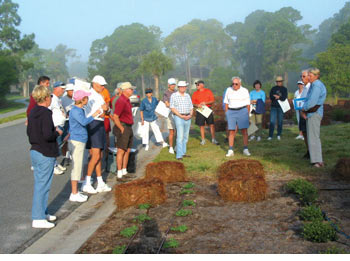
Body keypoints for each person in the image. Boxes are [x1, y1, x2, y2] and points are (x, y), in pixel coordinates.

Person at [27, 85, 63, 228]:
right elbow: (48, 134)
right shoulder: (45, 113)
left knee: (41, 183)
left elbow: (29, 132)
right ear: (46, 98)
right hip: (44, 151)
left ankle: (42, 212)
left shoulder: (33, 111)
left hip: (35, 150)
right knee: (43, 185)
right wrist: (57, 133)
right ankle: (37, 217)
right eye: (49, 97)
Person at [69, 90, 102, 202]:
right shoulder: (76, 111)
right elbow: (83, 122)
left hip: (80, 139)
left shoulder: (79, 110)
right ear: (82, 100)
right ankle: (74, 193)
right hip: (77, 141)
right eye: (86, 98)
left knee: (78, 166)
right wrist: (94, 114)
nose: (88, 100)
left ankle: (76, 192)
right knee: (77, 167)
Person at [82, 75, 111, 194]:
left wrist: (106, 109)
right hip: (93, 123)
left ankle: (99, 182)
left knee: (98, 154)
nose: (103, 87)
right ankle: (87, 182)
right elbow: (98, 112)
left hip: (98, 123)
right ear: (95, 84)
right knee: (95, 155)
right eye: (101, 85)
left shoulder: (99, 95)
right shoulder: (90, 95)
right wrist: (104, 110)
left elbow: (106, 110)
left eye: (104, 85)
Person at [301, 68, 327, 168]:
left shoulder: (316, 85)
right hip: (313, 113)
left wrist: (304, 109)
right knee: (313, 136)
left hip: (314, 113)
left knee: (313, 137)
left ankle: (317, 161)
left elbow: (312, 101)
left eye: (310, 76)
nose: (309, 77)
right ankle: (316, 159)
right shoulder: (314, 85)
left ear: (316, 76)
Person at [112, 82, 135, 178]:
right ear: (125, 90)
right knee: (121, 150)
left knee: (127, 149)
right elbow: (115, 116)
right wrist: (121, 128)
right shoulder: (121, 101)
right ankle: (119, 172)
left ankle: (124, 170)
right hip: (123, 126)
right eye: (130, 89)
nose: (132, 90)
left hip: (128, 126)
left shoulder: (127, 100)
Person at [224, 77, 251, 157]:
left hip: (242, 111)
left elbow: (248, 104)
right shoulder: (229, 90)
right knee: (231, 131)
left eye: (236, 84)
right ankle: (230, 149)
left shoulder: (245, 91)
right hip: (231, 111)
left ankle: (245, 149)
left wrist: (247, 114)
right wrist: (227, 112)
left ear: (240, 84)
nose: (234, 85)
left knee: (244, 131)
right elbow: (226, 102)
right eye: (233, 84)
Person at [170, 81, 193, 161]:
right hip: (179, 117)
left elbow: (191, 106)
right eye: (181, 87)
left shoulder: (187, 95)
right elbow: (172, 107)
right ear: (178, 87)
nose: (183, 88)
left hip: (188, 116)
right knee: (180, 136)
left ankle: (183, 152)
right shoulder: (174, 95)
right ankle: (179, 155)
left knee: (186, 136)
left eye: (184, 87)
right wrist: (180, 116)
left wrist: (190, 115)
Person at [191, 80, 219, 145]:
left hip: (207, 109)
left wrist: (205, 103)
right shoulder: (195, 93)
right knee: (201, 125)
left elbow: (212, 100)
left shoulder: (208, 91)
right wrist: (197, 105)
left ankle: (213, 139)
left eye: (198, 84)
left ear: (202, 85)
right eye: (196, 85)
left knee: (211, 124)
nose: (196, 86)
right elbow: (193, 103)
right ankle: (203, 140)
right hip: (200, 109)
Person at [49, 81, 68, 175]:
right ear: (55, 88)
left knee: (58, 146)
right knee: (55, 146)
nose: (63, 90)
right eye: (61, 88)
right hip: (56, 126)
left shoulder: (58, 99)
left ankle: (55, 163)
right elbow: (48, 112)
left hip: (60, 125)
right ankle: (52, 166)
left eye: (64, 89)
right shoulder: (52, 99)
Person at [268, 76, 288, 140]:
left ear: (282, 82)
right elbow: (271, 97)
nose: (279, 82)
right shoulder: (273, 88)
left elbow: (284, 98)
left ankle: (278, 134)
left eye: (280, 81)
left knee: (280, 121)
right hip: (273, 107)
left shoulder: (284, 89)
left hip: (281, 107)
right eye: (277, 81)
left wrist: (278, 97)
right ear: (276, 82)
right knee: (272, 121)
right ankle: (270, 135)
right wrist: (276, 97)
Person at [61, 83, 75, 162]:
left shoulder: (75, 98)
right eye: (70, 90)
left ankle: (72, 153)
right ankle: (65, 155)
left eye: (73, 90)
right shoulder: (63, 99)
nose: (72, 92)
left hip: (74, 120)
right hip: (67, 121)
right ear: (67, 91)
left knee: (73, 138)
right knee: (65, 137)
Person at [162, 78, 177, 154]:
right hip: (170, 114)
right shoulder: (166, 93)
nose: (173, 85)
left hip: (177, 113)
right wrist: (174, 105)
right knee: (171, 131)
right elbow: (166, 103)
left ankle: (177, 146)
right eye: (172, 84)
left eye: (174, 84)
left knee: (178, 131)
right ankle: (171, 147)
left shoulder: (177, 92)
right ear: (168, 85)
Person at [300, 70, 311, 159]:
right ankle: (308, 150)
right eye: (301, 76)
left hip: (308, 113)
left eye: (304, 76)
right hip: (302, 112)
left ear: (309, 77)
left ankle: (312, 151)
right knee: (304, 132)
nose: (302, 78)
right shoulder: (304, 88)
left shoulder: (311, 87)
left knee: (309, 133)